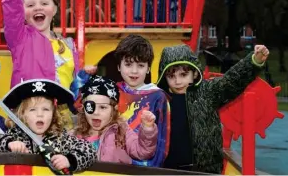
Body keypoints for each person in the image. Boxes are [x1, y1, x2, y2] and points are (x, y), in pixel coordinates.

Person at [0, 0, 90, 128]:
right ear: (23, 13)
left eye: (44, 3)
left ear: (54, 9)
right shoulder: (21, 38)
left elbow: (72, 87)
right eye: (30, 5)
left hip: (61, 118)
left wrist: (83, 79)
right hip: (30, 115)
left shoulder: (67, 44)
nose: (37, 7)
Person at [156, 44, 270, 173]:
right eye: (171, 76)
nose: (177, 81)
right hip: (166, 169)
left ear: (194, 73)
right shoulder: (158, 98)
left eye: (183, 75)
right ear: (164, 77)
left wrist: (253, 61)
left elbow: (231, 80)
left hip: (205, 169)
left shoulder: (207, 92)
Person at [0, 79, 97, 173]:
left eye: (46, 109)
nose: (40, 114)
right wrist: (8, 143)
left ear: (53, 114)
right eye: (32, 110)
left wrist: (69, 160)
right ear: (23, 114)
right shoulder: (15, 136)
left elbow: (90, 150)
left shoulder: (61, 138)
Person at [73, 75, 159, 164]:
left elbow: (143, 152)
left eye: (102, 107)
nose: (96, 112)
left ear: (114, 109)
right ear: (83, 108)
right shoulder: (74, 136)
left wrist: (148, 129)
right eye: (90, 106)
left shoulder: (121, 132)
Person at [114, 34, 169, 167]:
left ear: (148, 68)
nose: (134, 71)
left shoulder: (158, 97)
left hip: (143, 168)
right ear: (119, 66)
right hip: (113, 164)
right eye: (128, 64)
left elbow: (162, 140)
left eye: (140, 65)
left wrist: (151, 171)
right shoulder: (113, 91)